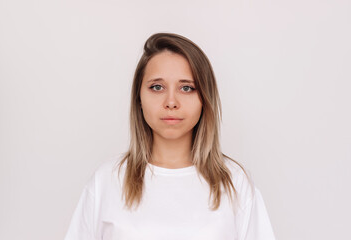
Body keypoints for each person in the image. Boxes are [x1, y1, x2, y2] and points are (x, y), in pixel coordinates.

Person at [64, 33, 276, 240]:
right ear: (139, 97)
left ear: (205, 98)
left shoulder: (234, 182)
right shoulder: (107, 180)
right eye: (157, 87)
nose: (171, 102)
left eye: (186, 88)